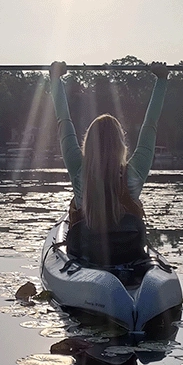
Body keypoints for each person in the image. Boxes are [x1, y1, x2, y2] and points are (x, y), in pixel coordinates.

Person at [49, 60, 169, 268]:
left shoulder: (78, 168)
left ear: (89, 143)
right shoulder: (135, 172)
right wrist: (161, 79)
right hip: (128, 254)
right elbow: (151, 125)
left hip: (86, 255)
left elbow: (63, 121)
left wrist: (55, 79)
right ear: (121, 145)